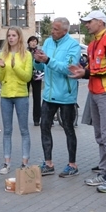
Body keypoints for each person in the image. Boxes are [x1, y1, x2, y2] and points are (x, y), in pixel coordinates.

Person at [70, 10, 106, 193]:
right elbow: (92, 67)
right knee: (100, 135)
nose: (86, 25)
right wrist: (82, 70)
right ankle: (104, 170)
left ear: (100, 22)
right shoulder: (92, 45)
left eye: (89, 21)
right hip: (94, 92)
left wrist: (86, 73)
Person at [33, 17, 81, 177]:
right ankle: (48, 163)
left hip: (66, 95)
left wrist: (47, 59)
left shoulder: (73, 45)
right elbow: (42, 65)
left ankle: (72, 164)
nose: (52, 31)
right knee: (44, 126)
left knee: (68, 128)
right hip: (49, 94)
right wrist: (37, 61)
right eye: (52, 28)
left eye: (55, 29)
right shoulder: (48, 42)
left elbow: (69, 68)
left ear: (65, 31)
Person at [0, 27, 33, 174]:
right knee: (7, 131)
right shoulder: (3, 54)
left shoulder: (27, 55)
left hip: (21, 95)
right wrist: (3, 67)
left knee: (24, 130)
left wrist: (14, 66)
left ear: (19, 37)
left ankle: (24, 162)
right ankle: (6, 162)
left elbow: (27, 77)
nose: (11, 38)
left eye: (13, 35)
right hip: (6, 95)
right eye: (9, 35)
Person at [27, 35, 43, 126]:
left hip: (37, 76)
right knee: (25, 97)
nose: (33, 43)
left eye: (35, 41)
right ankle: (24, 117)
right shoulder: (25, 52)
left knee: (37, 98)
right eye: (31, 41)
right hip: (26, 76)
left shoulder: (39, 52)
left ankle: (37, 119)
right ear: (28, 42)